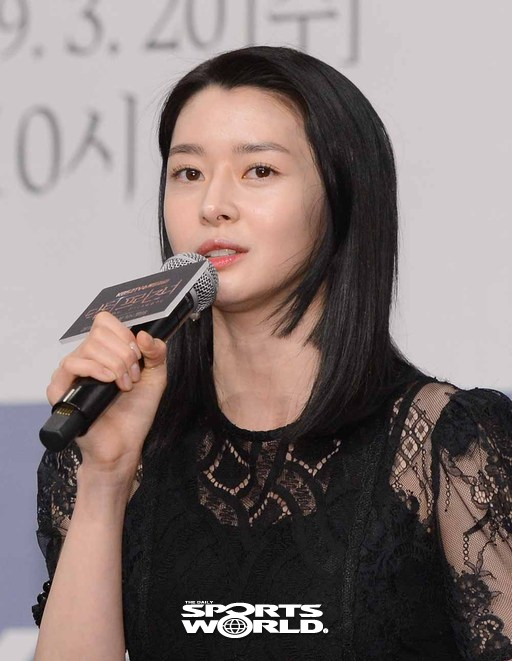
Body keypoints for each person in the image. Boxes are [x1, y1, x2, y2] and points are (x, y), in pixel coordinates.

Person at [33, 46, 512, 661]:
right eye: (188, 173)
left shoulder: (449, 446)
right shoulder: (109, 447)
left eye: (259, 171)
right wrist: (106, 477)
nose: (212, 205)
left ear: (341, 196)